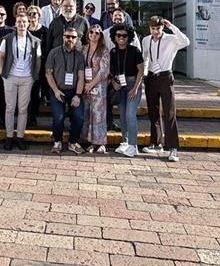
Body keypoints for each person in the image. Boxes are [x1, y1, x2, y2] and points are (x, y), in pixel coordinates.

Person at [141, 16, 190, 162]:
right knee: (153, 112)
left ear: (163, 27)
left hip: (165, 77)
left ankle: (173, 147)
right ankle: (156, 143)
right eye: (153, 29)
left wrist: (172, 26)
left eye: (158, 28)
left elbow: (186, 41)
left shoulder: (171, 39)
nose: (155, 31)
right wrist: (144, 75)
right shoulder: (146, 40)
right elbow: (145, 57)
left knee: (169, 112)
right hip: (151, 77)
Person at [0, 13, 42, 151]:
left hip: (27, 78)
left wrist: (34, 76)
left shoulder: (35, 40)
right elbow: (1, 56)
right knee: (10, 108)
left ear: (28, 23)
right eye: (19, 22)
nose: (22, 24)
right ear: (15, 23)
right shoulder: (8, 39)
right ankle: (9, 137)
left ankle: (20, 137)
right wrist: (2, 74)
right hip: (10, 76)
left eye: (24, 22)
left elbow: (38, 60)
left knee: (23, 109)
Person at [44, 27, 86, 154]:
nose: (70, 39)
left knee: (79, 116)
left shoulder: (79, 55)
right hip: (58, 90)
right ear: (63, 37)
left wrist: (78, 95)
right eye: (68, 36)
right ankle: (57, 141)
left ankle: (73, 142)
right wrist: (56, 91)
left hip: (74, 91)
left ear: (77, 39)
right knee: (59, 117)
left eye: (73, 37)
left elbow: (81, 76)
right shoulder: (54, 52)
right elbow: (48, 74)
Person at [110, 27, 144, 158]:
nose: (121, 38)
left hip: (132, 83)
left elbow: (141, 70)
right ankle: (125, 141)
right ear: (114, 37)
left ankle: (133, 145)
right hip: (120, 84)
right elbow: (111, 70)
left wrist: (135, 88)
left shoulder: (135, 51)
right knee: (123, 115)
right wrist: (113, 82)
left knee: (130, 114)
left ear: (129, 37)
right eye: (118, 35)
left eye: (124, 36)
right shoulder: (113, 51)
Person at [81, 23, 111, 153]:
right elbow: (80, 68)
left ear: (100, 35)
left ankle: (100, 143)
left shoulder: (104, 50)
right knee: (87, 114)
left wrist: (91, 84)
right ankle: (90, 142)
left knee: (98, 115)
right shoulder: (83, 49)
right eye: (91, 32)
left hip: (98, 86)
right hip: (84, 86)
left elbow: (104, 71)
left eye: (97, 33)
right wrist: (83, 84)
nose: (93, 34)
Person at [26, 5, 48, 127]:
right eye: (30, 14)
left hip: (40, 66)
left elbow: (48, 48)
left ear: (39, 16)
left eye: (35, 14)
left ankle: (33, 116)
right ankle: (25, 116)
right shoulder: (24, 30)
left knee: (35, 93)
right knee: (25, 93)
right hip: (25, 66)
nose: (32, 16)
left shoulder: (45, 31)